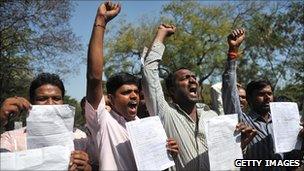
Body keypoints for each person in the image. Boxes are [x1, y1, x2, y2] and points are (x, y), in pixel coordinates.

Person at [142, 24, 256, 170]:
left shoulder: (212, 116)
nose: (192, 80)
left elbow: (226, 160)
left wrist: (240, 144)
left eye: (194, 77)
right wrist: (161, 34)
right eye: (184, 78)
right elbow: (149, 73)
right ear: (171, 90)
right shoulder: (165, 114)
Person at [84, 2, 179, 170]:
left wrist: (166, 151)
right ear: (111, 99)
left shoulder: (144, 126)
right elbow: (94, 77)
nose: (134, 96)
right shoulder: (102, 121)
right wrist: (101, 22)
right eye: (126, 92)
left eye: (136, 91)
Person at [222, 28, 304, 170]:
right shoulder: (243, 122)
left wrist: (300, 142)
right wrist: (232, 52)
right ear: (249, 98)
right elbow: (229, 91)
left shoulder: (284, 123)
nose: (267, 98)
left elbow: (292, 163)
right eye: (261, 94)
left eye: (270, 94)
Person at [0, 73, 91, 171]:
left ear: (63, 102)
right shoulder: (11, 138)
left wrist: (86, 168)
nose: (50, 104)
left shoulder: (80, 137)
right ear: (31, 102)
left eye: (56, 98)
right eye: (42, 99)